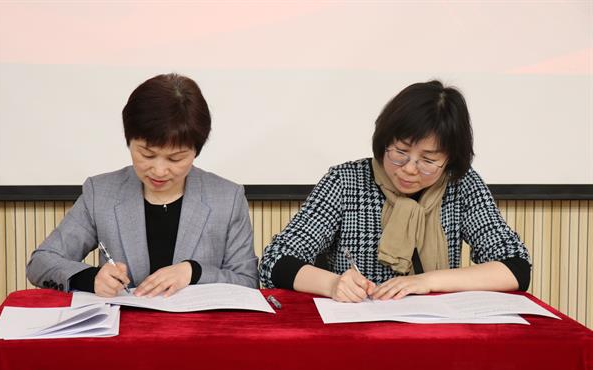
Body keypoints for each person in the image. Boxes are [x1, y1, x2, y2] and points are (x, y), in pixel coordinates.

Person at [259, 80, 531, 302]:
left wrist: (427, 281)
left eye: (428, 160)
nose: (410, 169)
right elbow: (276, 259)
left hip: (436, 330)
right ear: (384, 140)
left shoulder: (461, 184)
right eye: (400, 152)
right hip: (358, 331)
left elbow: (515, 267)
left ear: (450, 159)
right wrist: (333, 284)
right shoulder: (346, 180)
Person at [27, 73, 258, 297]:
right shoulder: (101, 193)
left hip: (197, 323)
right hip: (123, 322)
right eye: (147, 155)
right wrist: (90, 278)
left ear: (196, 151)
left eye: (175, 159)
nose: (159, 170)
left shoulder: (227, 198)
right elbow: (41, 262)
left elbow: (247, 282)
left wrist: (194, 272)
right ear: (129, 141)